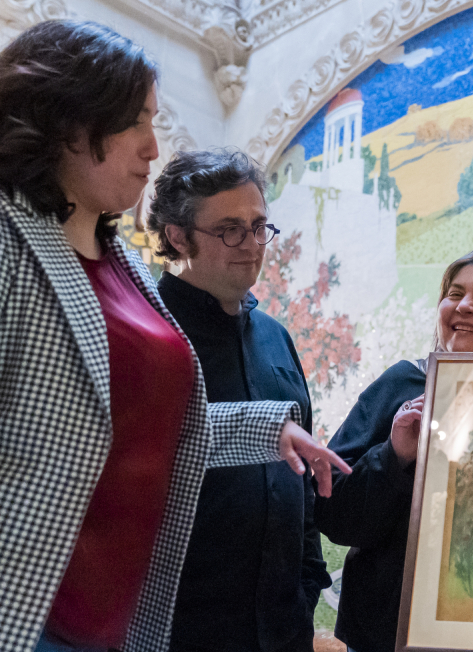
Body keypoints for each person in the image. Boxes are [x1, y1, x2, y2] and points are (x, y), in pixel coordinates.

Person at [0, 21, 348, 652]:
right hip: (28, 613)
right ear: (69, 120)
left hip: (121, 622)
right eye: (135, 121)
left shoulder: (120, 261)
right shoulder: (8, 236)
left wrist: (266, 428)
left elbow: (141, 425)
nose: (153, 148)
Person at [316, 249, 473, 652]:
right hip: (390, 635)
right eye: (454, 293)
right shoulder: (402, 386)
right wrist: (394, 455)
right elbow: (335, 515)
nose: (464, 306)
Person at [146, 149, 330, 652]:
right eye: (229, 229)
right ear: (177, 235)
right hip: (183, 632)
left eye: (258, 226)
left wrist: (309, 585)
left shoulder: (277, 337)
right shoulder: (148, 335)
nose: (251, 245)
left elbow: (303, 478)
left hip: (284, 628)